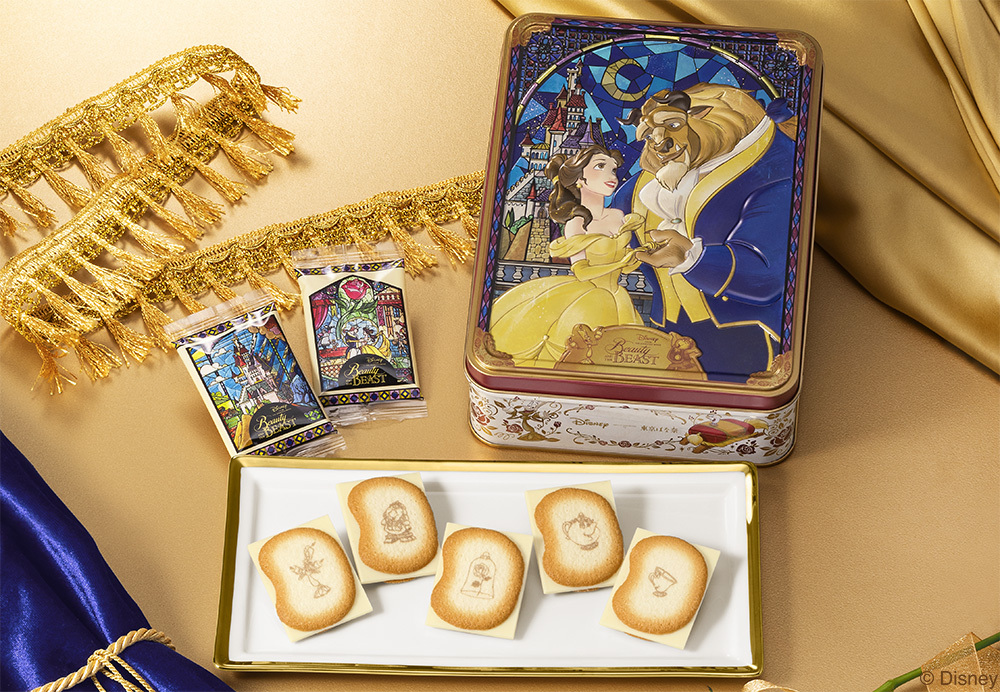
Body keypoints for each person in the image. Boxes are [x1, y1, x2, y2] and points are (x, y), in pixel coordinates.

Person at [489, 144, 645, 367]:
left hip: (619, 298)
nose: (612, 176)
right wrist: (619, 263)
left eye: (613, 170)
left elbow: (626, 265)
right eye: (600, 167)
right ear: (579, 178)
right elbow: (581, 272)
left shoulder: (618, 216)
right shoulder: (576, 223)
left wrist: (638, 256)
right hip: (588, 300)